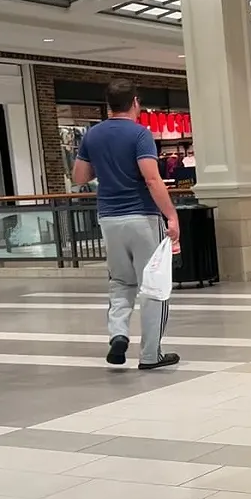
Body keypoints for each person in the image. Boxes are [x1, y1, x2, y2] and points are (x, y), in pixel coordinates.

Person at [71, 77, 181, 371]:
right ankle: (151, 354)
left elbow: (79, 177)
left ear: (108, 104)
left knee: (120, 281)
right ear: (135, 102)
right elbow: (152, 179)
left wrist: (106, 164)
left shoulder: (92, 135)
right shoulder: (140, 134)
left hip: (109, 218)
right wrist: (171, 215)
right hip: (142, 217)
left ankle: (118, 334)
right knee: (153, 285)